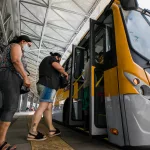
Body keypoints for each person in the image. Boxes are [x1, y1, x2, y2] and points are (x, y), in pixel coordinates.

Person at [27, 52, 68, 141]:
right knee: (43, 106)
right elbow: (59, 67)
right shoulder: (51, 58)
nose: (59, 61)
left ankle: (52, 129)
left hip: (45, 85)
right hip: (48, 85)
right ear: (57, 57)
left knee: (48, 107)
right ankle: (32, 132)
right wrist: (65, 74)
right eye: (59, 60)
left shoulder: (46, 62)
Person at [0, 35, 32, 150]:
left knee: (4, 108)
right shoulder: (16, 45)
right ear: (23, 41)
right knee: (10, 107)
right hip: (10, 76)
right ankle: (1, 143)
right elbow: (16, 60)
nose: (29, 47)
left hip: (7, 76)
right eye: (29, 45)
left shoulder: (10, 48)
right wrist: (25, 77)